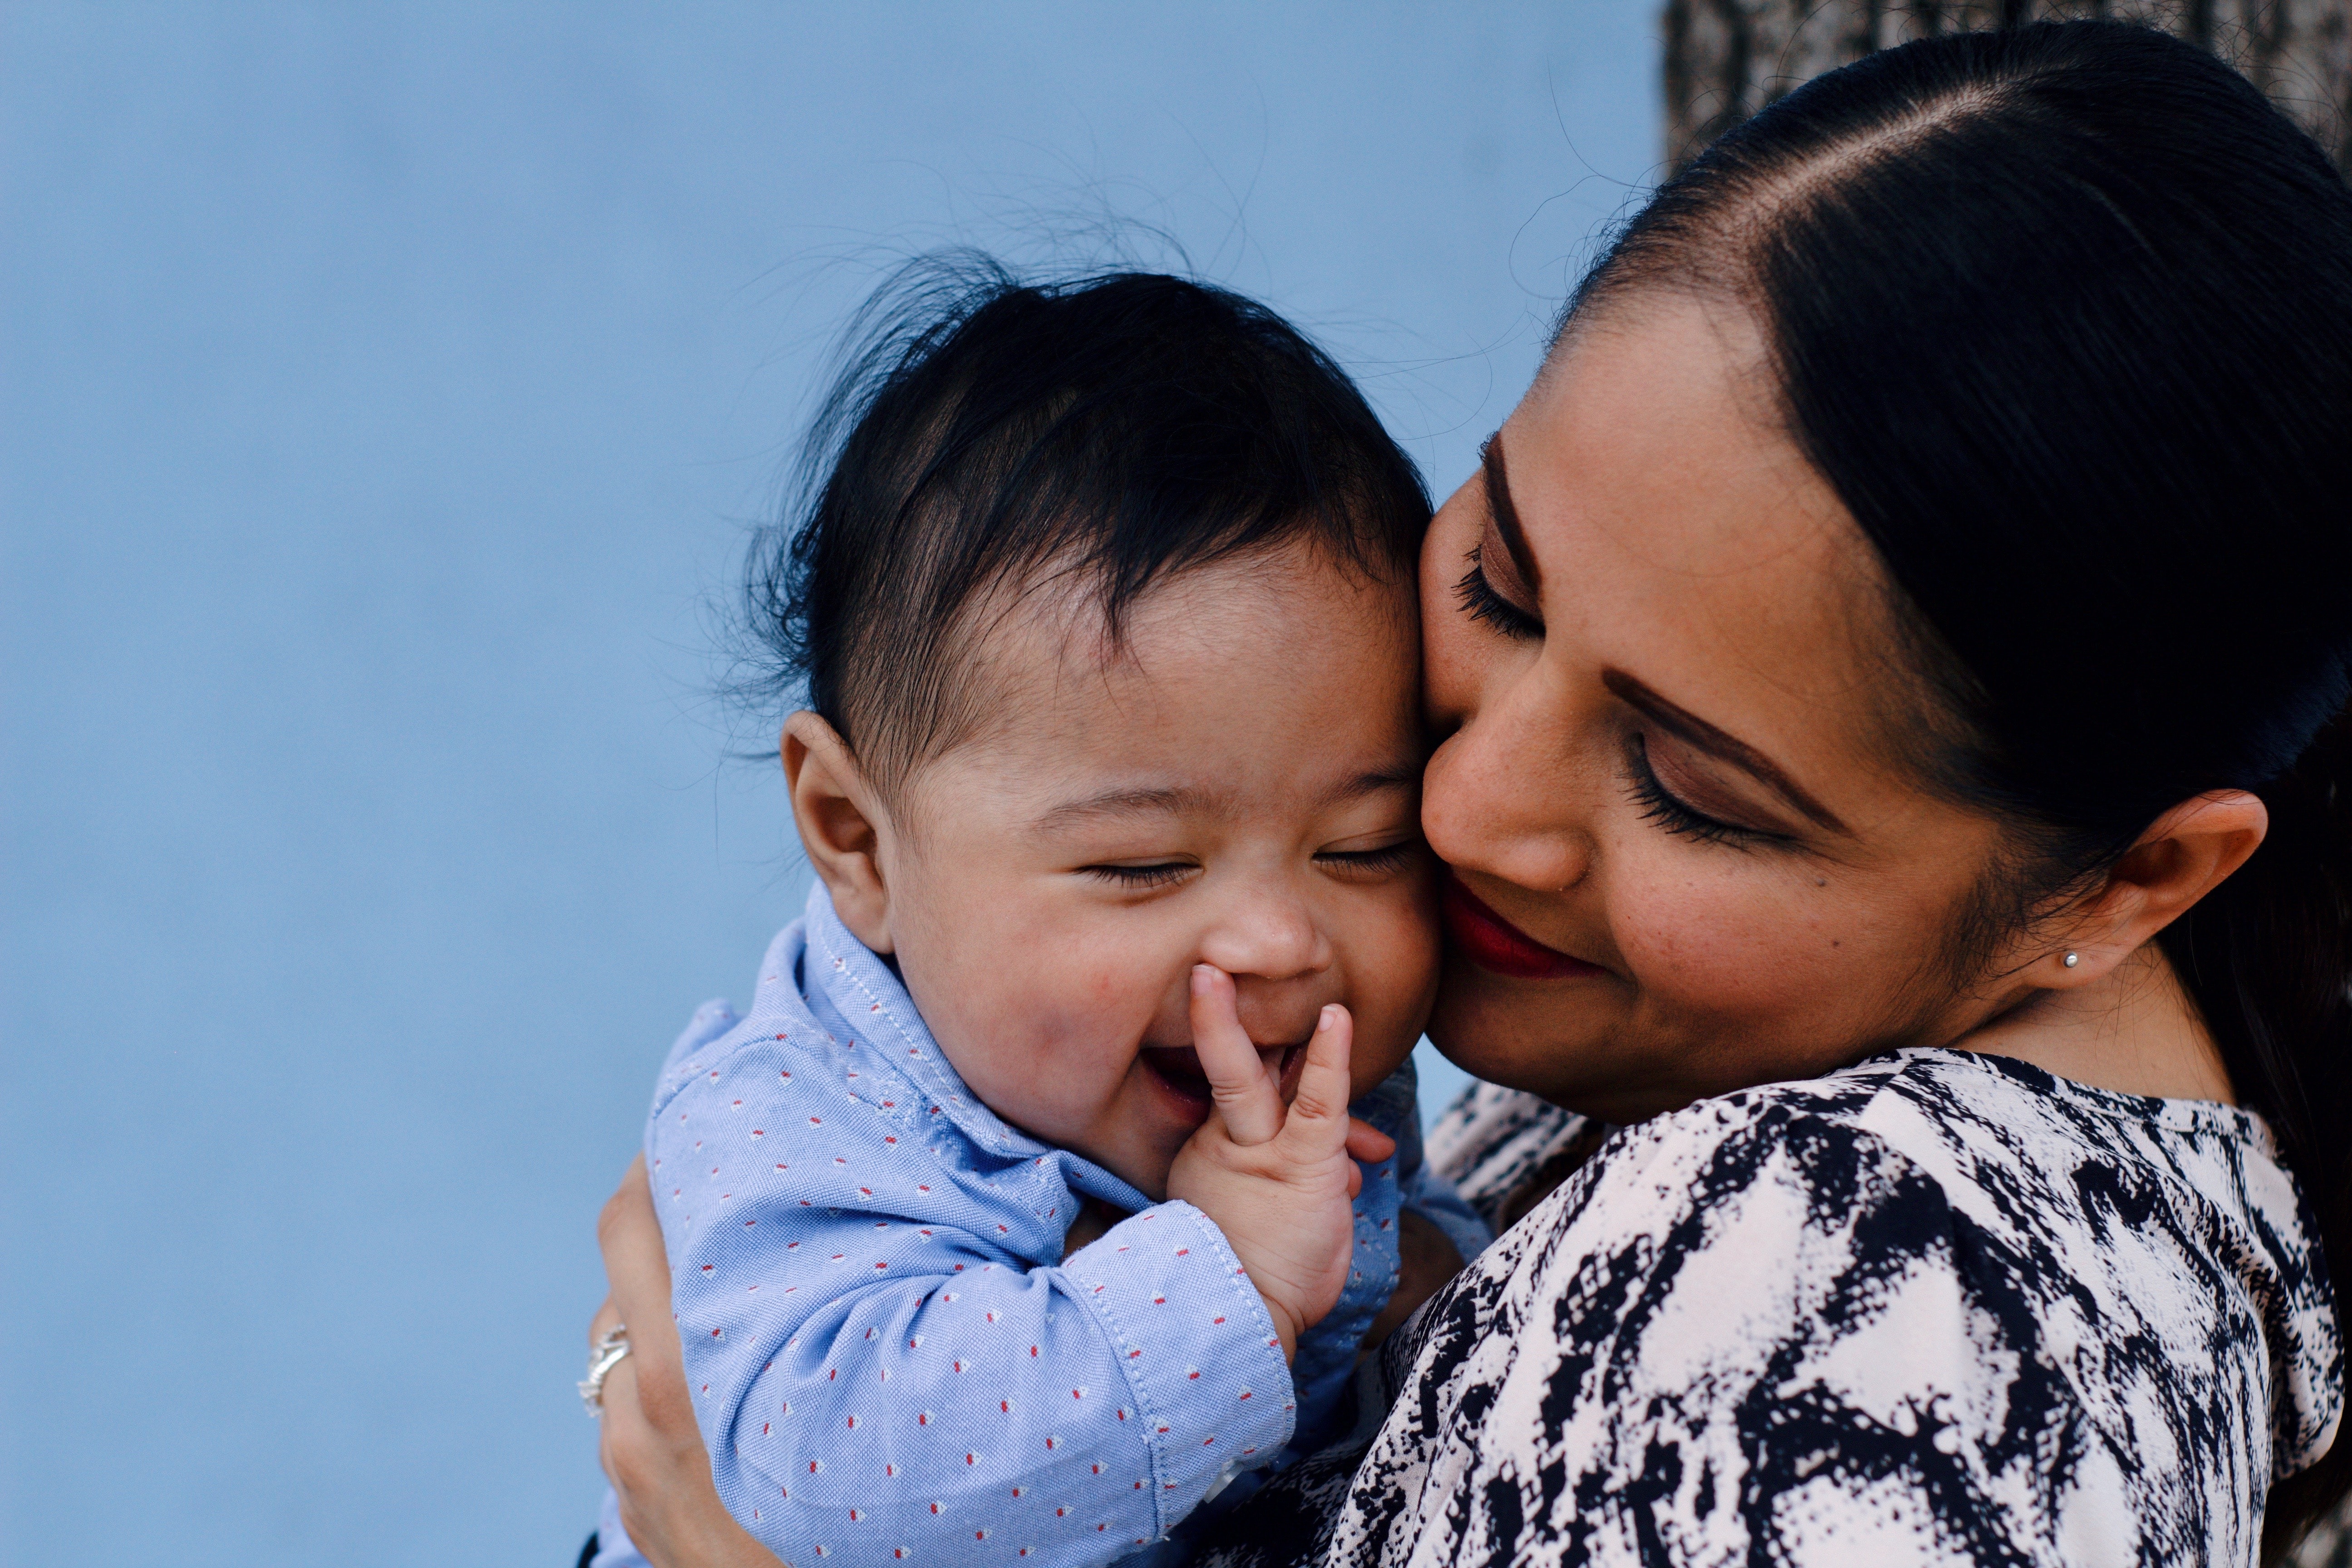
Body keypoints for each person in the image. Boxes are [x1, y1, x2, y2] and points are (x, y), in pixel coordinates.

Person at [591, 20, 2352, 1565]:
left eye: (1686, 780)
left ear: (2126, 882)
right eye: (1500, 581)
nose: (1460, 809)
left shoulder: (1897, 1321)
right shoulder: (1654, 1068)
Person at [580, 266, 1490, 1568]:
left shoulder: (1286, 1069)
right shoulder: (787, 1117)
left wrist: (1408, 1291)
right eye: (1141, 865)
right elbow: (832, 1480)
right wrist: (1220, 1280)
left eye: (1365, 844)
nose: (1285, 940)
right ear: (856, 840)